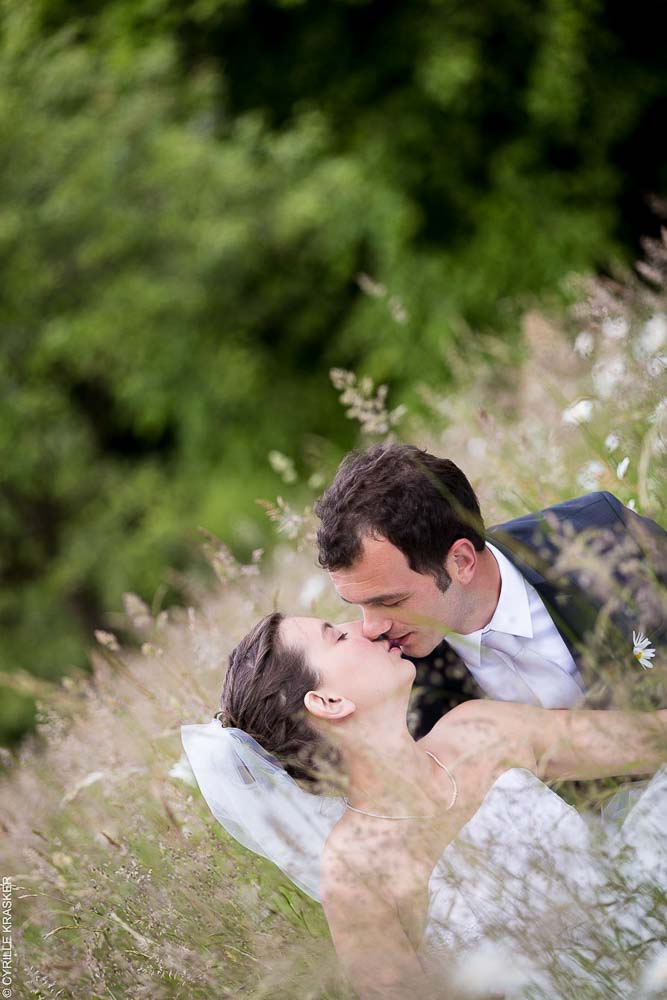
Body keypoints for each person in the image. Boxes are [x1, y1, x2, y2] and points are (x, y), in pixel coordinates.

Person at [182, 611, 667, 1000]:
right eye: (337, 635)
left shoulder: (477, 728)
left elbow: (649, 740)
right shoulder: (356, 873)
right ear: (327, 701)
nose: (364, 627)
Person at [314, 443, 667, 736]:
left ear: (462, 561)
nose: (372, 628)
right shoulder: (396, 677)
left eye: (391, 600)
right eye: (355, 605)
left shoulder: (601, 534)